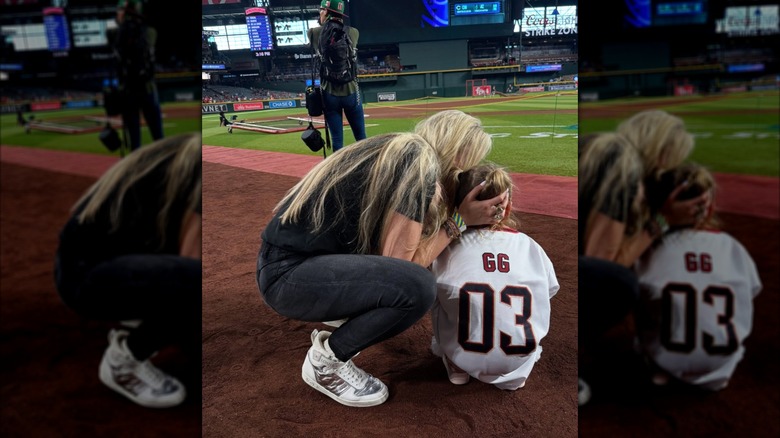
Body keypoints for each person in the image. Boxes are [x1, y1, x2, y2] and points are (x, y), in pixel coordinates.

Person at [256, 110, 507, 408]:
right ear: (457, 152)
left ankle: (340, 311)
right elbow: (403, 268)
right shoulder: (419, 162)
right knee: (416, 287)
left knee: (404, 280)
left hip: (290, 264)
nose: (463, 170)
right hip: (288, 277)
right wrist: (457, 222)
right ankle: (328, 363)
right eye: (466, 161)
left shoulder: (400, 149)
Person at [53, 133, 202, 408]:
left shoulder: (181, 153)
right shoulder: (193, 162)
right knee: (196, 285)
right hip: (87, 277)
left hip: (85, 263)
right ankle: (124, 358)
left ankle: (138, 314)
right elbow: (190, 259)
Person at [430, 163, 559, 390]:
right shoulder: (531, 247)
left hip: (465, 353)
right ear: (506, 209)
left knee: (439, 295)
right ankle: (517, 365)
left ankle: (455, 363)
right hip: (519, 359)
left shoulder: (444, 248)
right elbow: (549, 291)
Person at [633, 163, 762, 391]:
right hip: (722, 365)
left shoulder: (647, 250)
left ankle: (662, 363)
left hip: (661, 361)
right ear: (708, 205)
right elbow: (752, 290)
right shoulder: (732, 248)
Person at [308, 0, 365, 152]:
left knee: (337, 141)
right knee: (361, 138)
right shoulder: (354, 32)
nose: (319, 13)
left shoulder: (314, 33)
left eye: (321, 10)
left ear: (326, 12)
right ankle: (368, 171)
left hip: (329, 95)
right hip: (352, 92)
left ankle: (337, 172)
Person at [111, 0, 163, 151]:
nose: (117, 15)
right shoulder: (149, 31)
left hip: (130, 90)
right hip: (146, 89)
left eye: (120, 11)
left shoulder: (117, 34)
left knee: (136, 141)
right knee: (157, 137)